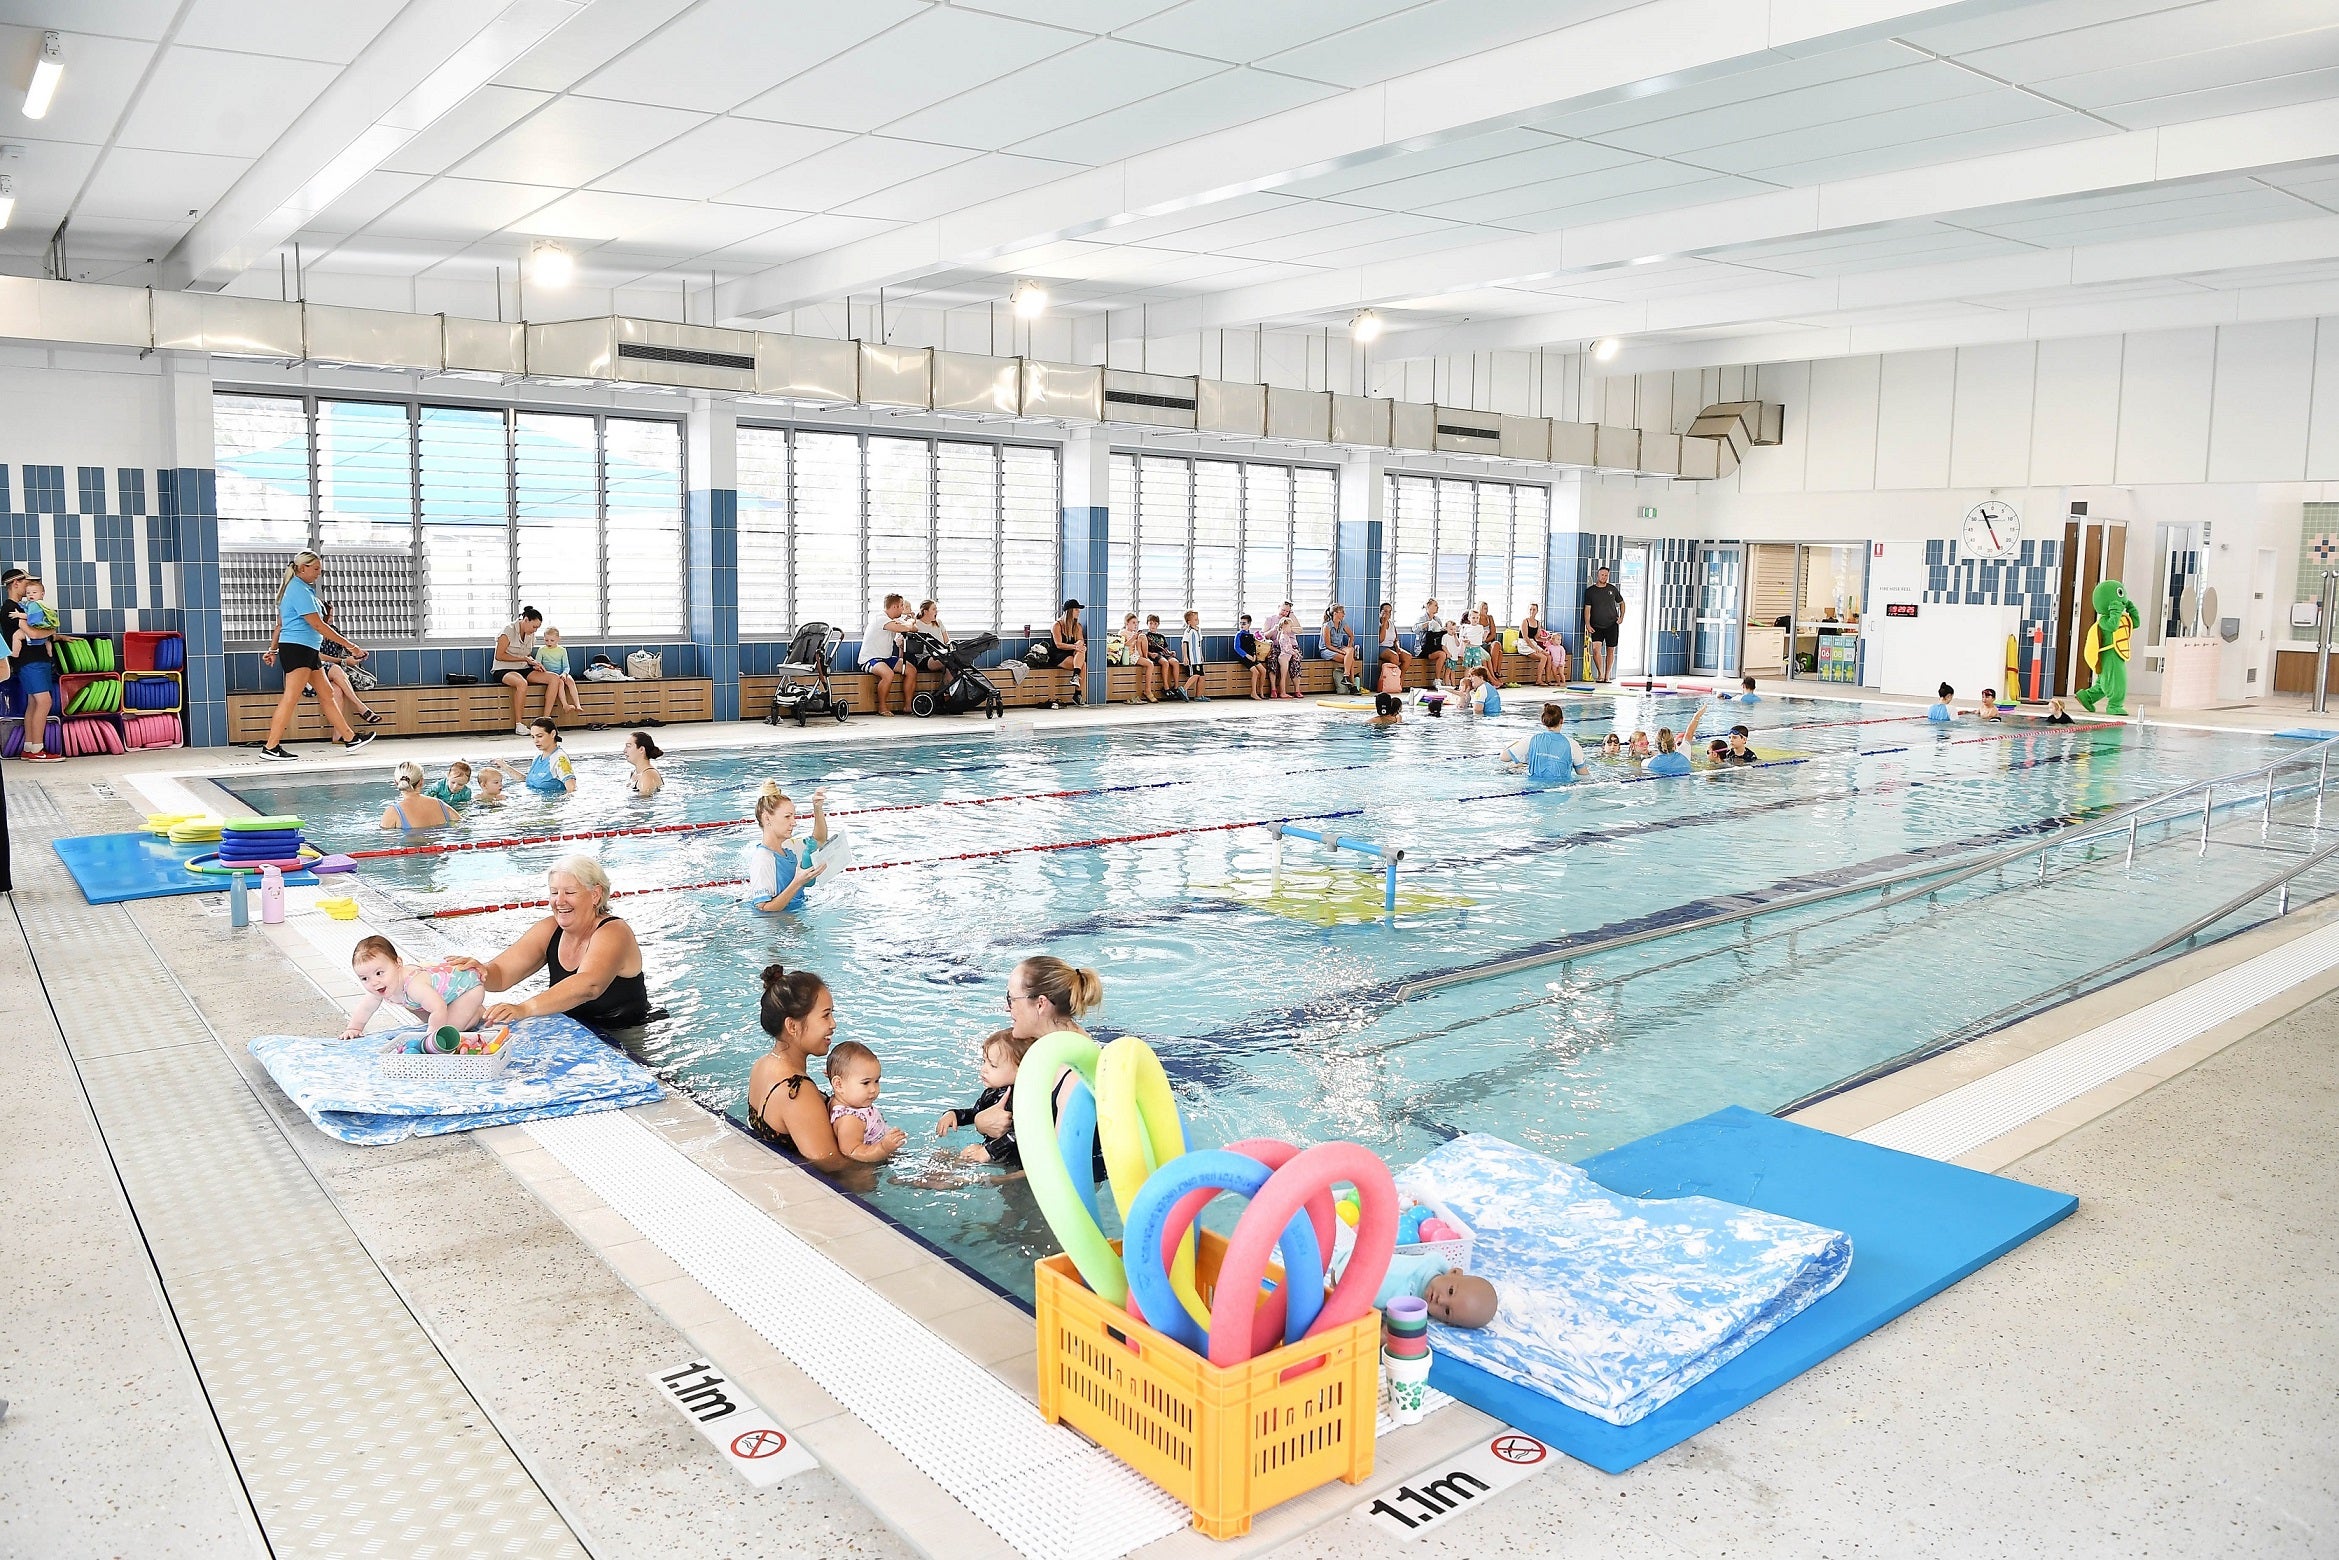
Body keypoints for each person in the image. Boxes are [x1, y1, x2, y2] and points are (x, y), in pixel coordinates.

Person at [452, 855, 654, 1035]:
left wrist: (524, 1009)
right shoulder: (549, 929)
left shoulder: (614, 931)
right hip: (574, 1031)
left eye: (570, 892)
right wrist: (479, 972)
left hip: (626, 1035)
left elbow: (589, 985)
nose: (559, 901)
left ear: (595, 895)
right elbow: (502, 974)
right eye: (554, 892)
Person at [747, 965, 897, 1171]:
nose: (833, 1024)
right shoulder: (796, 1092)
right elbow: (834, 1167)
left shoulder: (763, 1065)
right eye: (825, 1015)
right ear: (792, 1026)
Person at [971, 957, 1104, 1146]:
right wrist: (979, 1121)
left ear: (1040, 1004)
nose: (1006, 1007)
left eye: (1011, 999)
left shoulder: (1072, 1075)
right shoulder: (1046, 1048)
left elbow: (1062, 1169)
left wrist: (988, 1176)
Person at [260, 550, 374, 761]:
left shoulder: (301, 589)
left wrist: (273, 650)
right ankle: (271, 747)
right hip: (298, 650)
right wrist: (351, 646)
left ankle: (350, 738)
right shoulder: (297, 590)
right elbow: (317, 624)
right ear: (302, 568)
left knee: (327, 693)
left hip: (307, 650)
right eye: (315, 569)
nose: (319, 573)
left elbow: (282, 624)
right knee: (290, 698)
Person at [340, 934, 486, 1038]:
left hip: (467, 989)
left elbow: (438, 1007)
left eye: (379, 973)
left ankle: (476, 1013)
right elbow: (365, 1008)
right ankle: (468, 1012)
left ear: (398, 963)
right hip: (441, 995)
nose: (374, 982)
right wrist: (354, 1028)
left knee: (447, 1030)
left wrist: (431, 1035)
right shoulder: (381, 986)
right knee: (431, 1017)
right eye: (364, 978)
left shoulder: (414, 985)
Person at [935, 1029, 1029, 1167]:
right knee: (941, 1156)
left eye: (993, 1065)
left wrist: (989, 1151)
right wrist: (954, 1114)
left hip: (1011, 1160)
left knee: (956, 1163)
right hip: (990, 1151)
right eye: (984, 1061)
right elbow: (975, 1113)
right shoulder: (992, 1093)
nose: (983, 1069)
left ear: (1021, 1069)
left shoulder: (1023, 1099)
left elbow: (1021, 1134)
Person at [744, 781, 830, 914]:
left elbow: (819, 840)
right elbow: (763, 909)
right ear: (767, 819)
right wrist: (797, 882)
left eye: (793, 816)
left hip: (795, 921)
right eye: (787, 817)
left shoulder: (788, 850)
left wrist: (817, 808)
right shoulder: (763, 860)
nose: (794, 823)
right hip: (778, 928)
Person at [3, 568, 59, 762]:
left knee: (34, 703)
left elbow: (39, 630)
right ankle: (37, 750)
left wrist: (54, 634)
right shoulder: (12, 609)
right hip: (30, 662)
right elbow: (35, 633)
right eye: (26, 583)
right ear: (15, 583)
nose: (30, 587)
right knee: (45, 702)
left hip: (35, 661)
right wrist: (52, 630)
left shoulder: (23, 606)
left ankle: (30, 747)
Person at [824, 1041, 905, 1163]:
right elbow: (852, 1151)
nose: (873, 1089)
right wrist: (883, 1148)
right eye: (866, 1083)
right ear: (838, 1084)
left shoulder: (848, 1099)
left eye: (876, 1081)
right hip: (877, 1163)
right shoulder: (850, 1119)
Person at [305, 604, 384, 727]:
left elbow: (346, 646)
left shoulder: (333, 630)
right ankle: (361, 707)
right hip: (312, 673)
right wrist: (343, 662)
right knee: (336, 669)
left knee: (337, 690)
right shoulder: (310, 632)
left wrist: (358, 653)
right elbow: (315, 655)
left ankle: (338, 736)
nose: (332, 619)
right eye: (329, 616)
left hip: (330, 675)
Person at [491, 607, 555, 733]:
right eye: (534, 626)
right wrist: (525, 659)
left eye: (537, 628)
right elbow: (499, 655)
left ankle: (545, 720)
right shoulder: (508, 631)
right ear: (526, 620)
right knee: (522, 683)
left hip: (523, 668)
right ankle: (519, 725)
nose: (535, 630)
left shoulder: (531, 635)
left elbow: (527, 655)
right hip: (503, 669)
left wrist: (534, 663)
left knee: (554, 678)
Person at [860, 592, 919, 716]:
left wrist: (910, 623)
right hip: (870, 659)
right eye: (902, 605)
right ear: (894, 607)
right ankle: (882, 708)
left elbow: (914, 629)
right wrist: (910, 622)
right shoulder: (880, 618)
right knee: (888, 674)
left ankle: (908, 706)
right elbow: (905, 628)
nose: (903, 608)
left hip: (886, 658)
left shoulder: (895, 619)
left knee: (911, 670)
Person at [490, 717, 575, 794]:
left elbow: (572, 789)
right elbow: (527, 780)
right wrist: (504, 766)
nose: (536, 741)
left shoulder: (560, 759)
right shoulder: (538, 756)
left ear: (553, 734)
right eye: (533, 737)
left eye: (539, 736)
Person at [1027, 599, 1085, 709]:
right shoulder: (1057, 625)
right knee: (1083, 664)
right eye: (1077, 609)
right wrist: (1075, 646)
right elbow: (1058, 644)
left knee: (1082, 653)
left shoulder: (1077, 626)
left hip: (1072, 653)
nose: (1079, 612)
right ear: (1070, 611)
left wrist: (1079, 644)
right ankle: (1077, 694)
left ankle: (1076, 676)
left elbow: (1080, 639)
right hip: (1058, 655)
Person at [1511, 702, 1587, 785]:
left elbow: (1503, 757)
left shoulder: (1530, 740)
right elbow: (1583, 774)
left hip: (1532, 792)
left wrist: (1517, 743)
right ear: (1561, 721)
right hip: (1562, 792)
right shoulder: (1573, 745)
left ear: (1543, 721)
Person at [381, 761, 462, 830]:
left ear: (396, 782)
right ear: (421, 782)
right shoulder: (441, 805)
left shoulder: (392, 812)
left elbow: (386, 841)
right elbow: (461, 825)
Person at [1582, 566, 1625, 683]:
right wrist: (1587, 624)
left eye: (1606, 575)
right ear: (1598, 575)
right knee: (1596, 650)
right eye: (1602, 575)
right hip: (1596, 625)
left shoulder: (1612, 589)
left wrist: (1621, 617)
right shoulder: (1591, 591)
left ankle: (1607, 675)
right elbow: (1587, 609)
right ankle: (1600, 674)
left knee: (1611, 650)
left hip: (1612, 625)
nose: (1604, 577)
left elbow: (1621, 603)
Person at [534, 627, 587, 718]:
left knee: (570, 681)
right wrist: (539, 668)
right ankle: (565, 705)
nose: (549, 643)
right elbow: (537, 663)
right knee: (560, 683)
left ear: (558, 639)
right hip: (549, 674)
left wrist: (564, 673)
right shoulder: (542, 650)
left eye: (552, 640)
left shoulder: (562, 650)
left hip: (561, 673)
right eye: (546, 640)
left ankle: (578, 705)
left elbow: (566, 666)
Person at [1643, 704, 1709, 776]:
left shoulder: (1647, 763)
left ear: (1656, 744)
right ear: (1674, 743)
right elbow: (1689, 734)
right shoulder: (1684, 754)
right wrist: (1697, 716)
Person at [1115, 613, 1159, 704]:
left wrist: (1137, 638)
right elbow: (1122, 645)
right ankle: (1147, 690)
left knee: (1142, 636)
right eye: (1133, 622)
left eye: (1137, 623)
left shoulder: (1135, 633)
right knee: (1150, 664)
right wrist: (1133, 638)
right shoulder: (1122, 632)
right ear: (1127, 623)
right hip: (1129, 656)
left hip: (1137, 654)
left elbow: (1137, 645)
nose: (1136, 625)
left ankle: (1145, 657)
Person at [1143, 614, 1184, 701]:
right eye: (1151, 623)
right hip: (1155, 654)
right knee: (1165, 662)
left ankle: (1176, 687)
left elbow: (1164, 649)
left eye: (1155, 624)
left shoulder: (1161, 636)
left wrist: (1170, 652)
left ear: (1158, 624)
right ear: (1147, 624)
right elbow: (1145, 649)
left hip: (1163, 654)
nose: (1153, 626)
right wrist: (1150, 654)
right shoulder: (1146, 636)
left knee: (1175, 662)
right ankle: (1166, 687)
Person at [1321, 605, 1360, 692]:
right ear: (1335, 613)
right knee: (1351, 660)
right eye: (1342, 612)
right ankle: (1352, 686)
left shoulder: (1342, 623)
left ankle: (1346, 676)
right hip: (1327, 650)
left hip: (1339, 647)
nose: (1344, 614)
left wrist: (1349, 648)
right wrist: (1342, 652)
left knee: (1351, 650)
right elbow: (1328, 645)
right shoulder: (1327, 626)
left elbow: (1351, 635)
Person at [1268, 603, 1303, 698]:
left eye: (1287, 611)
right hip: (1280, 649)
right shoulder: (1271, 619)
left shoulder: (1290, 620)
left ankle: (1297, 690)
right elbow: (1265, 635)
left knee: (1296, 662)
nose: (1285, 613)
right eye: (1283, 610)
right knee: (1272, 661)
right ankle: (1275, 690)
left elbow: (1300, 630)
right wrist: (1274, 629)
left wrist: (1291, 618)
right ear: (1278, 607)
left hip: (1290, 648)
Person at [1413, 600, 1452, 688]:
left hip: (1434, 647)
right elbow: (1415, 629)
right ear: (1428, 606)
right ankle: (1438, 680)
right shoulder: (1421, 618)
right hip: (1423, 648)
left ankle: (1442, 679)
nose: (1437, 607)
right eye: (1435, 605)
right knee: (1442, 654)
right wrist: (1427, 624)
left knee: (1445, 654)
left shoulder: (1437, 619)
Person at [1235, 614, 1270, 699]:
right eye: (1241, 623)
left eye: (1244, 623)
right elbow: (1237, 647)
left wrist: (1254, 655)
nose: (1242, 625)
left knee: (1263, 671)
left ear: (1249, 624)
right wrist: (1246, 655)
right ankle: (1253, 693)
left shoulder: (1251, 635)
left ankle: (1261, 691)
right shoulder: (1239, 634)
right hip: (1244, 657)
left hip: (1252, 657)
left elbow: (1253, 646)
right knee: (1255, 672)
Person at [1178, 609, 1208, 702]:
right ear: (1189, 622)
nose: (1197, 621)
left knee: (1202, 676)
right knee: (1196, 674)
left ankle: (1199, 695)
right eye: (1195, 619)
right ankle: (1184, 688)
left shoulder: (1198, 630)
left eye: (1197, 619)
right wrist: (1185, 656)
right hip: (1193, 657)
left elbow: (1199, 644)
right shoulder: (1189, 631)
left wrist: (1201, 654)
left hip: (1198, 657)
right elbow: (1184, 643)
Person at [625, 730, 664, 796]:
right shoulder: (635, 773)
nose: (625, 751)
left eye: (628, 746)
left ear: (641, 749)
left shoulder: (648, 776)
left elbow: (645, 803)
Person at [1475, 603, 1505, 684]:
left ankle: (1494, 673)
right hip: (1478, 643)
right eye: (1483, 608)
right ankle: (1495, 677)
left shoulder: (1490, 618)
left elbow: (1493, 634)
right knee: (1500, 653)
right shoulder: (1476, 618)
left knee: (1497, 644)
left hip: (1487, 642)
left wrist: (1485, 641)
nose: (1485, 610)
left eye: (1486, 608)